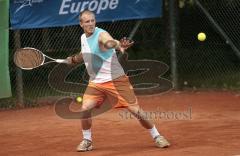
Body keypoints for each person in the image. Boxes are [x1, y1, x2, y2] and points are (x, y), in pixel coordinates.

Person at [66, 10, 170, 152]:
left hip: (116, 80)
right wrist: (72, 59)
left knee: (136, 111)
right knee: (85, 109)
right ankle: (87, 140)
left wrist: (117, 44)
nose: (91, 24)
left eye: (92, 20)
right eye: (87, 21)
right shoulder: (83, 38)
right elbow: (83, 54)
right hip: (96, 83)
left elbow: (109, 42)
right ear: (81, 24)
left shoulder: (101, 34)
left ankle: (157, 135)